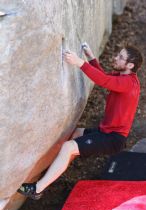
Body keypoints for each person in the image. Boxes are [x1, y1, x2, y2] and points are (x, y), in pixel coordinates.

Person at [17, 43, 143, 200]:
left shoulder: (129, 83)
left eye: (121, 57)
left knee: (69, 147)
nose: (116, 58)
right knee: (76, 133)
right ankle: (55, 169)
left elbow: (103, 81)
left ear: (130, 65)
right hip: (105, 132)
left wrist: (79, 62)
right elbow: (105, 78)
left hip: (112, 138)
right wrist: (91, 58)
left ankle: (37, 189)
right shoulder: (123, 78)